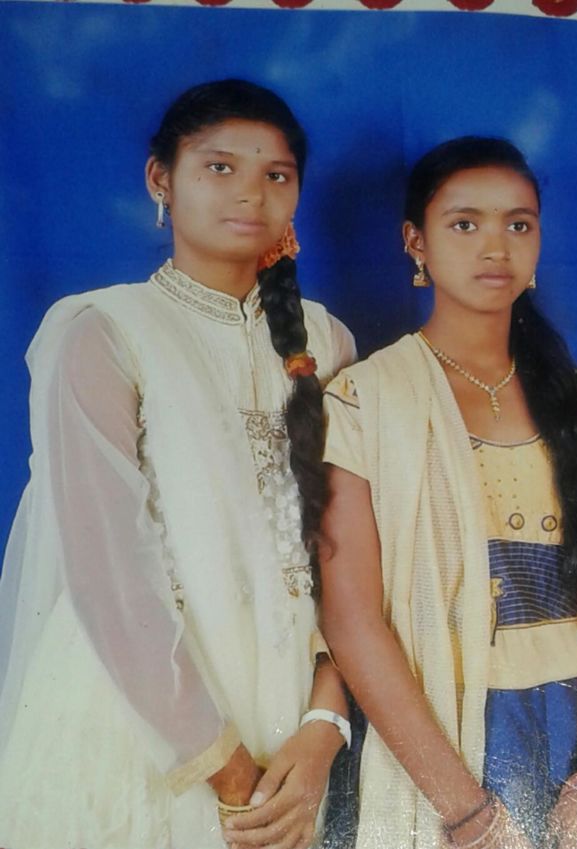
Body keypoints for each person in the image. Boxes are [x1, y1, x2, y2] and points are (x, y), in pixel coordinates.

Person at [0, 79, 355, 849]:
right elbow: (108, 576)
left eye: (276, 174)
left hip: (292, 735)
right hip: (140, 730)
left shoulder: (327, 342)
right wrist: (230, 776)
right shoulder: (104, 331)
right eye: (219, 167)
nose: (251, 193)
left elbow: (353, 563)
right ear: (161, 179)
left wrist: (324, 727)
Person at [319, 137, 577, 849]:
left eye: (518, 224)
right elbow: (351, 620)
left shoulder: (575, 398)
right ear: (416, 241)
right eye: (465, 224)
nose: (495, 247)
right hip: (440, 742)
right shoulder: (364, 399)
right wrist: (468, 814)